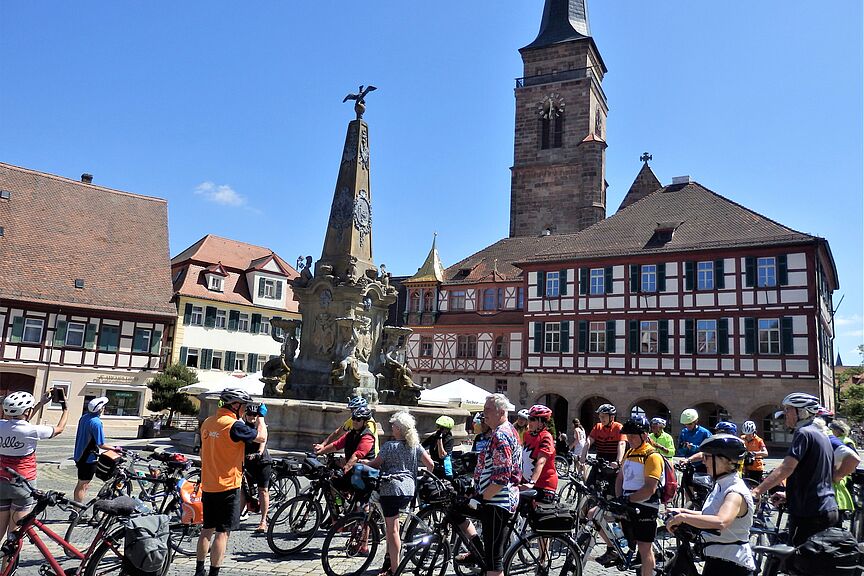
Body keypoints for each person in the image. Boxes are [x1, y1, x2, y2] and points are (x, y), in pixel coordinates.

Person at [751, 392, 839, 546]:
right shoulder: (821, 434)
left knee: (798, 563)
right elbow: (816, 473)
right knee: (814, 563)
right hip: (826, 506)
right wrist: (790, 494)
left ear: (802, 412)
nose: (784, 414)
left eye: (788, 409)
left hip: (809, 511)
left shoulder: (804, 433)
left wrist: (757, 491)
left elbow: (787, 467)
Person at [196, 389, 266, 576]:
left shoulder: (208, 423)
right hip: (228, 485)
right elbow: (261, 437)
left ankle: (199, 570)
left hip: (209, 483)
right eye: (243, 406)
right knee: (222, 532)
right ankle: (214, 573)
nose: (244, 410)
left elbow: (202, 452)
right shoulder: (234, 425)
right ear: (235, 405)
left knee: (206, 529)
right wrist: (261, 418)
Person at [666, 435, 755, 576]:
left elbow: (720, 521)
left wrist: (684, 517)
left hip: (732, 565)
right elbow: (710, 516)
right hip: (717, 561)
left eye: (707, 457)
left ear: (725, 460)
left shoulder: (735, 492)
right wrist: (682, 512)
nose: (703, 461)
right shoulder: (721, 485)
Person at [362, 412, 435, 576]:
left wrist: (362, 463)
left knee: (392, 530)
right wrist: (419, 479)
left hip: (391, 489)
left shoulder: (389, 446)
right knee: (394, 528)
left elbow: (374, 465)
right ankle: (390, 562)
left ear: (399, 429)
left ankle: (395, 570)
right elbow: (430, 465)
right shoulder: (415, 445)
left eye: (394, 425)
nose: (392, 427)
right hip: (409, 491)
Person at [596, 415, 662, 576]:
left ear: (644, 435)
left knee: (644, 548)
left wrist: (628, 499)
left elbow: (649, 488)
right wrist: (619, 498)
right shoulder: (630, 452)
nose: (630, 439)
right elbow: (620, 478)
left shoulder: (652, 456)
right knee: (595, 514)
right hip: (628, 504)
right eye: (628, 435)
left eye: (633, 435)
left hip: (645, 507)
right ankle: (614, 550)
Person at [0, 390, 67, 537]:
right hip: (24, 484)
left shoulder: (1, 425)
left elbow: (20, 420)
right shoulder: (32, 430)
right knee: (14, 535)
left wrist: (40, 404)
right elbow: (59, 429)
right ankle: (7, 561)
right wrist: (65, 408)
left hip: (1, 481)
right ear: (27, 411)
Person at [473, 393, 521, 576]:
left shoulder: (500, 435)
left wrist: (482, 497)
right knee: (494, 555)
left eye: (487, 410)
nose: (484, 413)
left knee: (494, 560)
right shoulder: (508, 430)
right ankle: (475, 553)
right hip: (501, 499)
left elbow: (502, 476)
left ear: (501, 412)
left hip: (496, 501)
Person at [73, 396, 120, 506]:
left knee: (81, 483)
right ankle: (77, 511)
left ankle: (75, 508)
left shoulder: (84, 417)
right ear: (100, 409)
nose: (104, 408)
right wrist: (115, 448)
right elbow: (101, 444)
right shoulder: (96, 423)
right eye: (103, 407)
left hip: (79, 455)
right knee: (83, 485)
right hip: (88, 458)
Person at [315, 405, 377, 475]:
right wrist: (319, 452)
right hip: (352, 466)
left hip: (363, 472)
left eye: (358, 419)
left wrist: (346, 468)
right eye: (354, 418)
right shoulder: (351, 434)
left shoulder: (367, 436)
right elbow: (336, 445)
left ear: (365, 422)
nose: (355, 421)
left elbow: (357, 455)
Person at [581, 404, 625, 496]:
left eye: (604, 416)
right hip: (600, 460)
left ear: (612, 417)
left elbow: (621, 444)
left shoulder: (618, 427)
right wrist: (583, 456)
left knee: (613, 492)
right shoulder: (598, 427)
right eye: (600, 416)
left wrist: (618, 461)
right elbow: (589, 441)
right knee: (589, 487)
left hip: (612, 463)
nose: (601, 419)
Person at [240, 403, 271, 533]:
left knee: (262, 490)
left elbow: (262, 440)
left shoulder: (260, 426)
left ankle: (263, 521)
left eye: (255, 414)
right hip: (247, 462)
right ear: (245, 415)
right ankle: (236, 518)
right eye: (250, 414)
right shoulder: (241, 426)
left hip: (262, 461)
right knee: (242, 491)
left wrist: (259, 452)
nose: (252, 417)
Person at [520, 405, 558, 501]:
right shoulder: (527, 435)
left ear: (541, 423)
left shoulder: (546, 437)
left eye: (532, 419)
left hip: (544, 485)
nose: (529, 422)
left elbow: (541, 461)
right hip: (526, 481)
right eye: (528, 418)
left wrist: (532, 482)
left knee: (535, 514)